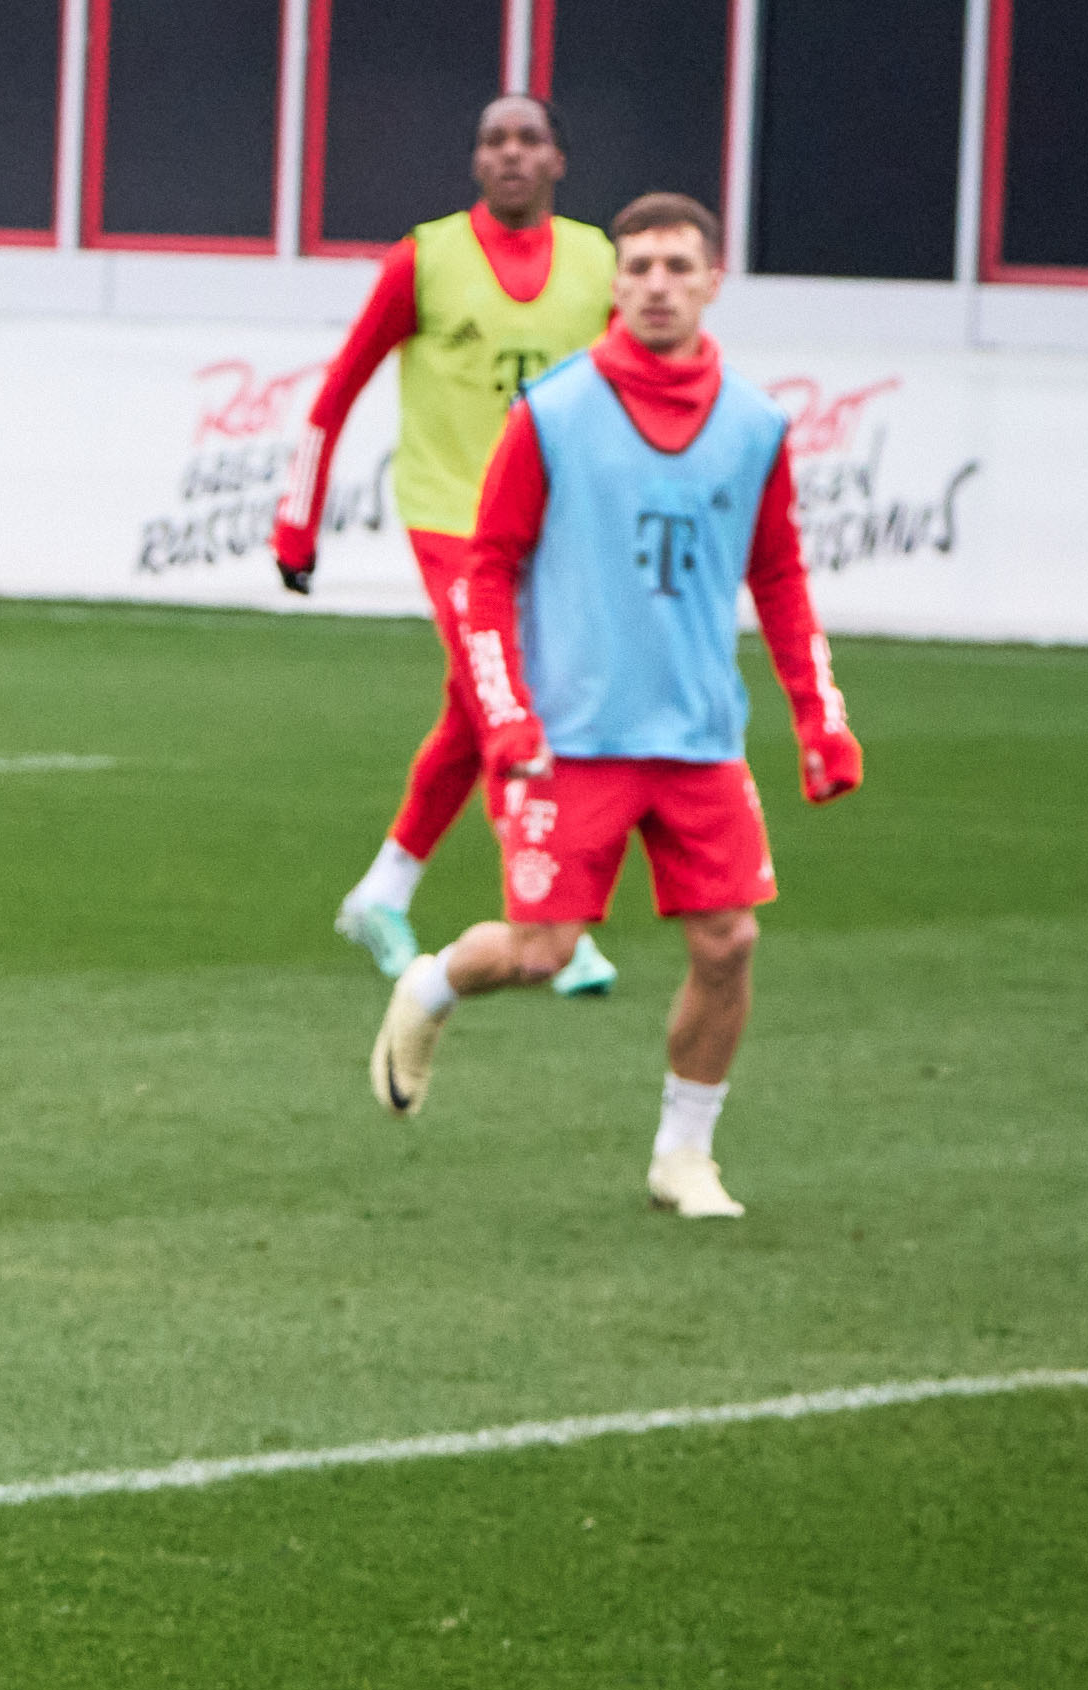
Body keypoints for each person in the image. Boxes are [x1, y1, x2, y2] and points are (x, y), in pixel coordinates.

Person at [366, 194, 860, 1220]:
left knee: (728, 941)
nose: (654, 284)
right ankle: (430, 984)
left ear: (712, 279)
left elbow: (776, 576)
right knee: (541, 952)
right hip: (570, 740)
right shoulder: (550, 410)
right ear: (614, 283)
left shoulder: (755, 423)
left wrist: (818, 715)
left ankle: (682, 1153)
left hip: (697, 740)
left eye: (677, 266)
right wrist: (504, 712)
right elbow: (485, 570)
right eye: (635, 267)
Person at [278, 94, 622, 1000]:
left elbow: (632, 397)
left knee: (478, 711)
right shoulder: (424, 260)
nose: (511, 154)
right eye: (493, 140)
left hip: (552, 531)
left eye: (528, 139)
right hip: (451, 523)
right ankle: (547, 918)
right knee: (502, 698)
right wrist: (295, 519)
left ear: (558, 159)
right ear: (475, 162)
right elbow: (339, 385)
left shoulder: (599, 264)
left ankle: (382, 891)